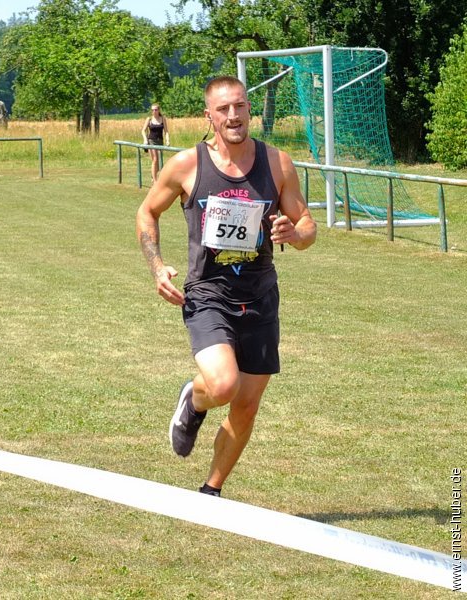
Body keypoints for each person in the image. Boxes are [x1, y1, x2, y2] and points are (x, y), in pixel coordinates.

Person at [135, 76, 316, 497]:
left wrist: (295, 233)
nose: (233, 116)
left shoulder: (277, 164)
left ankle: (211, 491)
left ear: (249, 109)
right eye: (223, 109)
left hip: (260, 297)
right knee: (222, 385)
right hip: (208, 294)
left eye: (239, 106)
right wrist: (157, 266)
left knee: (247, 404)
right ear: (209, 116)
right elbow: (147, 213)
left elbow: (307, 227)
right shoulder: (187, 165)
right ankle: (193, 399)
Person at [141, 104, 171, 184]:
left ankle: (153, 176)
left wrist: (167, 140)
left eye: (156, 110)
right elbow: (143, 130)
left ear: (159, 110)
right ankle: (155, 181)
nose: (154, 111)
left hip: (160, 141)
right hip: (151, 141)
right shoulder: (149, 119)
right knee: (155, 159)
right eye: (152, 110)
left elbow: (166, 131)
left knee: (158, 161)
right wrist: (145, 140)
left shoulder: (162, 119)